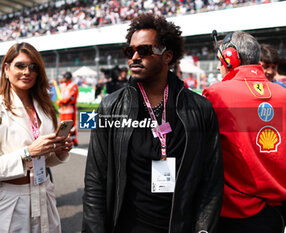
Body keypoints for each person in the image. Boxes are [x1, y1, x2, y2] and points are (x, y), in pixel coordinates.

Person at [82, 13, 223, 233]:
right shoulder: (111, 107)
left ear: (167, 56)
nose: (134, 57)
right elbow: (95, 181)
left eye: (144, 50)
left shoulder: (200, 109)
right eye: (130, 51)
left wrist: (203, 230)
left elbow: (211, 180)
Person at [0, 42, 72, 233]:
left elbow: (44, 160)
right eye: (20, 65)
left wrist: (58, 151)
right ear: (6, 69)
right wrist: (28, 153)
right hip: (9, 201)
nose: (27, 71)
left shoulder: (45, 109)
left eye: (33, 67)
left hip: (44, 194)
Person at [203, 31, 286, 233]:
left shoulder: (216, 94)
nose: (217, 66)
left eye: (220, 60)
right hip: (278, 212)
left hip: (236, 213)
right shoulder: (283, 94)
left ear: (231, 57)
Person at [57, 71, 79, 146]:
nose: (63, 78)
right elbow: (59, 96)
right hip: (62, 110)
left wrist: (64, 102)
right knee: (62, 126)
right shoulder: (62, 86)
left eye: (64, 77)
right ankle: (62, 139)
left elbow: (72, 97)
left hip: (70, 109)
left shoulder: (73, 86)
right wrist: (59, 102)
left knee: (71, 125)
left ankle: (73, 140)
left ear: (67, 77)